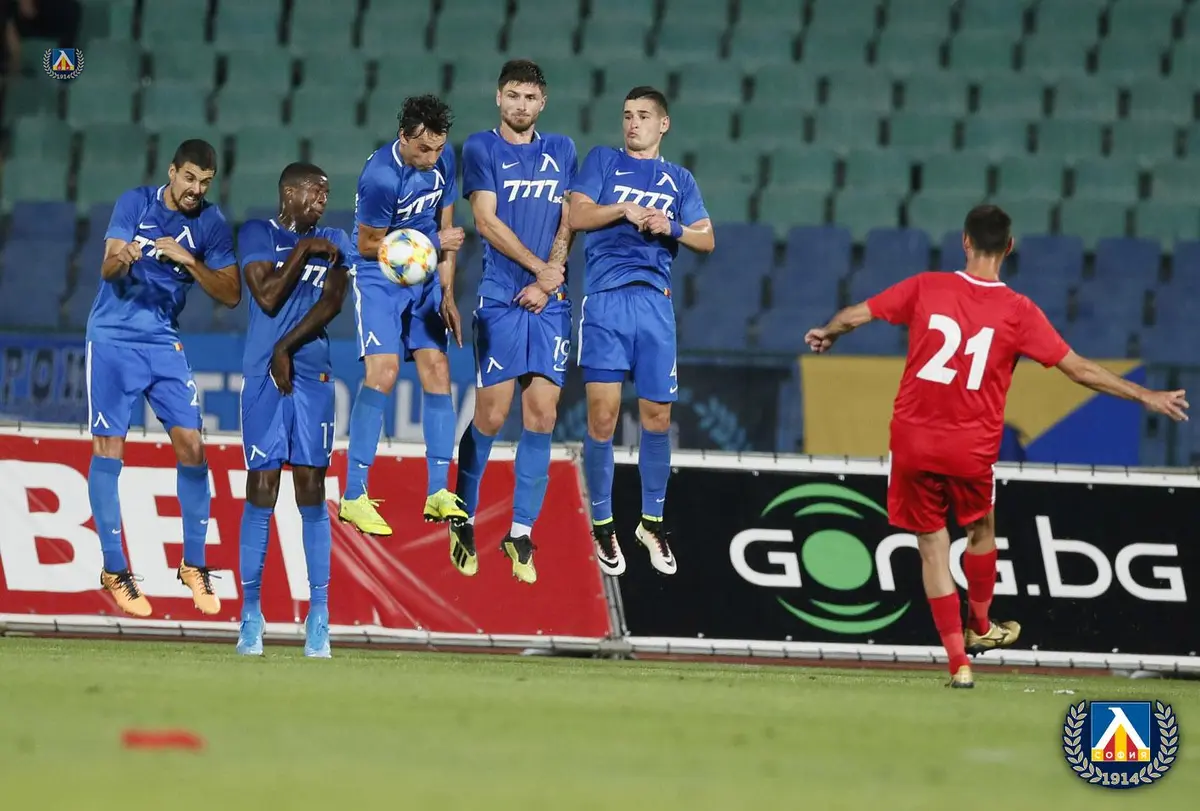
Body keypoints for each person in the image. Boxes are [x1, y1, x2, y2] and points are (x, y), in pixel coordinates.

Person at [804, 204, 1189, 689]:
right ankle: (981, 624)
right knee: (981, 528)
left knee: (932, 548)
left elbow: (856, 315)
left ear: (964, 241)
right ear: (1009, 247)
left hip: (913, 439)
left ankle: (958, 665)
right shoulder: (1018, 311)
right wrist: (1145, 395)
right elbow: (1078, 369)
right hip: (970, 446)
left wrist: (828, 332)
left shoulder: (926, 286)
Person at [86, 139, 241, 618]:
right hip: (113, 338)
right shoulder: (135, 203)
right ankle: (114, 569)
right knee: (109, 447)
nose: (196, 189)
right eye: (189, 178)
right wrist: (126, 257)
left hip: (162, 342)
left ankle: (193, 564)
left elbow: (231, 294)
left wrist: (190, 261)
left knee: (192, 445)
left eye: (205, 182)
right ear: (172, 172)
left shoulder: (211, 224)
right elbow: (107, 268)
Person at [568, 86, 714, 577]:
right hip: (606, 302)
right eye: (628, 115)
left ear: (663, 124)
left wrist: (671, 227)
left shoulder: (680, 179)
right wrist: (622, 209)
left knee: (657, 418)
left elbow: (707, 238)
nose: (633, 123)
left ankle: (651, 523)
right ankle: (603, 523)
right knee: (603, 418)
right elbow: (577, 214)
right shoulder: (603, 160)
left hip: (655, 305)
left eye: (644, 116)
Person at [450, 59, 576, 584]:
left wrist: (550, 278)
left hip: (551, 299)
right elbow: (485, 221)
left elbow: (569, 219)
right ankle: (462, 516)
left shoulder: (562, 150)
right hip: (502, 297)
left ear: (542, 102)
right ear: (498, 98)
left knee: (542, 414)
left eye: (530, 97)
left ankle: (520, 533)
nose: (521, 105)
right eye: (513, 95)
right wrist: (538, 269)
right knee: (493, 415)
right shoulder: (481, 148)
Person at [235, 163, 351, 659]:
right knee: (262, 487)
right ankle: (250, 615)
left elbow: (334, 302)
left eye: (327, 193)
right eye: (315, 191)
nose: (323, 199)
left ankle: (318, 616)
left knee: (311, 488)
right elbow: (266, 296)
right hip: (262, 375)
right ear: (288, 192)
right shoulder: (257, 232)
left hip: (311, 373)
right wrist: (303, 250)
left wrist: (285, 346)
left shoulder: (336, 239)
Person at [338, 95, 467, 536]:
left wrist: (447, 291)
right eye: (424, 149)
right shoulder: (380, 177)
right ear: (404, 137)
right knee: (385, 372)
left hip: (425, 273)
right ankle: (353, 495)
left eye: (438, 148)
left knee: (438, 369)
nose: (432, 157)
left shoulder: (444, 159)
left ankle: (438, 491)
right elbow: (367, 244)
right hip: (378, 275)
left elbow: (446, 227)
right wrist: (431, 246)